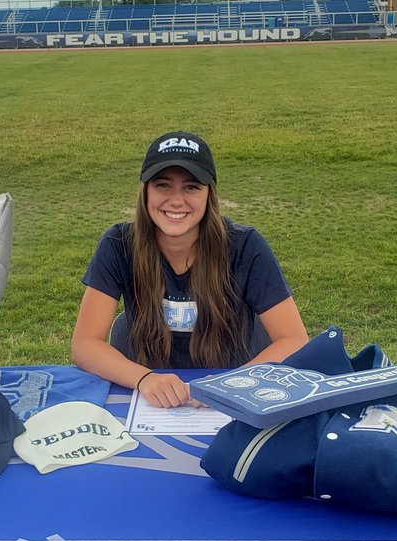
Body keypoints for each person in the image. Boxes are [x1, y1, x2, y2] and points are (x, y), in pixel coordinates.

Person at [71, 131, 308, 408]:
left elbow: (294, 339)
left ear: (209, 194)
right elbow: (85, 344)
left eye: (191, 187)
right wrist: (144, 378)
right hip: (149, 399)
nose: (176, 200)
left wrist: (229, 385)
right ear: (145, 190)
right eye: (163, 185)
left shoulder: (245, 246)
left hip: (233, 396)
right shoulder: (118, 245)